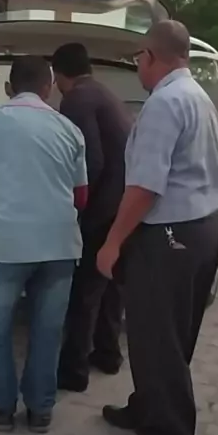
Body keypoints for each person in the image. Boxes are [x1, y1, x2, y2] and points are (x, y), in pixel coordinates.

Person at [97, 20, 218, 435]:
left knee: (157, 338)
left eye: (139, 58)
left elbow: (145, 187)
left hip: (171, 235)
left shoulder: (164, 103)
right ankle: (149, 407)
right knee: (172, 334)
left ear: (150, 56)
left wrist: (113, 242)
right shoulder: (198, 96)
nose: (138, 67)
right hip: (203, 227)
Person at [0, 56, 88, 433]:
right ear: (48, 87)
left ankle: (0, 407)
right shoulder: (69, 129)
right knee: (48, 330)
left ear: (9, 87)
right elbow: (81, 196)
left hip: (7, 244)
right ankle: (40, 411)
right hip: (60, 245)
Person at [52, 42, 131, 392]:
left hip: (101, 207)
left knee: (84, 290)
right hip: (123, 204)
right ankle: (108, 353)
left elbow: (91, 161)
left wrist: (78, 207)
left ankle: (74, 371)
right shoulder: (104, 93)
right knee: (109, 284)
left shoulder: (77, 99)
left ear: (58, 74)